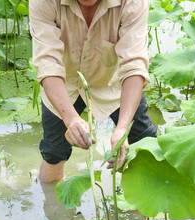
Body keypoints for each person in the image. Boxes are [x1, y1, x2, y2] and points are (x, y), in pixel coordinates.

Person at [29, 0, 157, 182]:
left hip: (112, 80)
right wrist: (71, 119)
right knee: (54, 151)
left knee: (144, 140)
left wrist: (122, 129)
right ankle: (54, 208)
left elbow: (134, 65)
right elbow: (48, 65)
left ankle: (146, 208)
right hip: (64, 83)